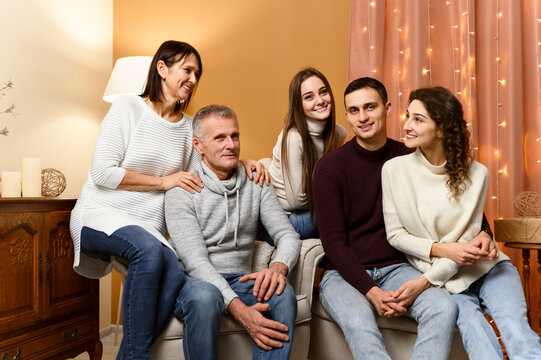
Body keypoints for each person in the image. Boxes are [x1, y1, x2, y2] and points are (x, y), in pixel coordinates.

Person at [70, 41, 267, 360]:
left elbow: (203, 168)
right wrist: (163, 181)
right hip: (101, 214)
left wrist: (242, 162)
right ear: (162, 69)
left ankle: (127, 355)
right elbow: (103, 172)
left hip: (149, 228)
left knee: (174, 268)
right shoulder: (127, 107)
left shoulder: (189, 127)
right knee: (150, 252)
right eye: (187, 70)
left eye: (197, 74)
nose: (193, 79)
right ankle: (136, 357)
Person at [312, 77, 496, 360]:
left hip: (400, 267)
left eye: (370, 107)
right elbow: (334, 245)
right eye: (353, 110)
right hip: (343, 275)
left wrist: (485, 233)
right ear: (347, 114)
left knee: (443, 308)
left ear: (387, 108)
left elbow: (465, 208)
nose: (362, 117)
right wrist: (371, 292)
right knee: (361, 322)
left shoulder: (413, 155)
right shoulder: (330, 169)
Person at [382, 86, 541, 360]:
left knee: (518, 332)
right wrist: (441, 253)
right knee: (477, 337)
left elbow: (467, 249)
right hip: (447, 281)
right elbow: (396, 235)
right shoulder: (394, 170)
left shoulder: (477, 174)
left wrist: (423, 282)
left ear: (442, 129)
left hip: (488, 269)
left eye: (418, 119)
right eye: (408, 116)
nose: (406, 125)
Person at [165, 104, 301, 360]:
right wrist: (239, 310)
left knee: (283, 294)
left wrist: (277, 268)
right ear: (198, 145)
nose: (231, 144)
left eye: (234, 136)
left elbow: (288, 235)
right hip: (193, 282)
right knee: (206, 298)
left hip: (240, 279)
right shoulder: (181, 190)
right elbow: (195, 263)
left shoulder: (255, 181)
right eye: (219, 137)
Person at [269, 68, 346, 239]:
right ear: (299, 105)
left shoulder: (338, 134)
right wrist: (333, 195)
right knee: (343, 205)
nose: (320, 101)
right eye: (309, 97)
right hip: (286, 221)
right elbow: (295, 201)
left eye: (323, 92)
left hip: (311, 212)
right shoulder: (293, 138)